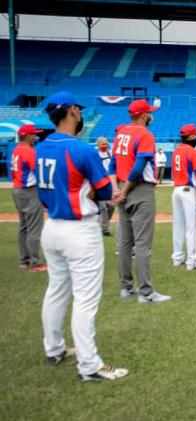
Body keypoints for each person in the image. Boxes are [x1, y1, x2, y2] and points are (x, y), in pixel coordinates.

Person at [37, 91, 128, 381]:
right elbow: (103, 191)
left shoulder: (40, 147)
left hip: (51, 226)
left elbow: (41, 195)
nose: (82, 114)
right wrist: (101, 193)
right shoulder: (82, 149)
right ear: (73, 111)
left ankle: (54, 348)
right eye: (79, 109)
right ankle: (89, 366)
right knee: (85, 299)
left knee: (56, 291)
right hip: (79, 229)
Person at [110, 99, 171, 304]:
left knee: (125, 243)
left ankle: (126, 288)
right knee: (143, 244)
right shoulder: (144, 134)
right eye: (149, 113)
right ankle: (146, 293)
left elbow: (112, 165)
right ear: (144, 115)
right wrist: (125, 189)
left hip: (121, 189)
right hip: (139, 189)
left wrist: (116, 188)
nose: (151, 116)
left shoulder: (120, 134)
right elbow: (138, 167)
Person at [171, 124, 196, 271]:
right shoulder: (193, 152)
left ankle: (177, 257)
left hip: (177, 190)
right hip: (189, 190)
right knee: (192, 227)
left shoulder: (175, 151)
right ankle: (192, 261)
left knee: (178, 226)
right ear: (192, 136)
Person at [11, 124, 46, 272]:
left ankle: (24, 260)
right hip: (29, 191)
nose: (35, 137)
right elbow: (39, 174)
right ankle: (35, 262)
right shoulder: (29, 152)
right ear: (26, 136)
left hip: (17, 190)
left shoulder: (17, 149)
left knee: (24, 227)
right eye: (33, 134)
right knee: (34, 228)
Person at [94, 137, 116, 236]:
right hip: (100, 182)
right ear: (98, 145)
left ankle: (103, 224)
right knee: (102, 207)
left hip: (110, 182)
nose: (105, 146)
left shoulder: (110, 153)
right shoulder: (94, 154)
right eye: (103, 144)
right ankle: (104, 229)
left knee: (111, 206)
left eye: (106, 143)